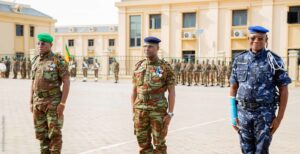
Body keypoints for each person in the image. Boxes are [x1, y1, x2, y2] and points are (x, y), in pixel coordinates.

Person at [229, 26, 291, 154]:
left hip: (264, 115)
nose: (256, 41)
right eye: (253, 38)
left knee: (261, 151)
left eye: (260, 38)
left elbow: (284, 89)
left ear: (266, 40)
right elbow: (233, 87)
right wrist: (233, 114)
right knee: (246, 150)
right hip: (243, 114)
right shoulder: (239, 60)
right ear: (248, 39)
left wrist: (279, 118)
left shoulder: (274, 60)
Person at [131, 36, 176, 154]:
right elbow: (134, 90)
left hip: (158, 110)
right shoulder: (138, 66)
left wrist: (170, 113)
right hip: (140, 110)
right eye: (145, 46)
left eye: (150, 46)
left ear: (157, 48)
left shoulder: (165, 67)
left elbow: (172, 92)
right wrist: (133, 110)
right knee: (142, 144)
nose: (147, 49)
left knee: (159, 144)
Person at [30, 33, 70, 154]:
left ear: (50, 45)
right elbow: (32, 82)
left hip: (53, 102)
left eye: (43, 43)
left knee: (54, 134)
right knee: (41, 135)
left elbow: (66, 82)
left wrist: (62, 103)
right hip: (38, 103)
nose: (40, 45)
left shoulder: (58, 60)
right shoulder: (36, 60)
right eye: (39, 43)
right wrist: (31, 102)